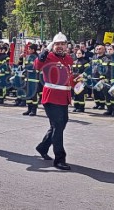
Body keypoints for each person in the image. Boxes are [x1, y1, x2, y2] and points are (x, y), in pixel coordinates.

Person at [35, 32, 75, 170]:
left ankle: (43, 147)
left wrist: (77, 81)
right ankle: (59, 158)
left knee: (59, 125)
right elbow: (37, 65)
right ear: (53, 45)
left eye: (62, 44)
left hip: (64, 96)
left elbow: (69, 77)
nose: (60, 47)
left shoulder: (69, 59)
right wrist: (45, 50)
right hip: (51, 97)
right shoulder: (48, 57)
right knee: (58, 127)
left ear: (67, 46)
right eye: (57, 44)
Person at [23, 44, 40, 116]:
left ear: (33, 50)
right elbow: (26, 66)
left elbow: (36, 68)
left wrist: (29, 70)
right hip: (28, 78)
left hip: (34, 79)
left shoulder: (37, 57)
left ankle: (34, 110)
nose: (28, 50)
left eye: (29, 49)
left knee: (33, 95)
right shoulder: (28, 57)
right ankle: (29, 109)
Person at [90, 44, 108, 110]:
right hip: (94, 76)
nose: (98, 50)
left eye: (100, 49)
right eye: (97, 49)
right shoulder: (94, 57)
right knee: (95, 91)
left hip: (101, 77)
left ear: (103, 50)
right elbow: (91, 66)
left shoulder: (105, 58)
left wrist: (103, 76)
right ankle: (97, 103)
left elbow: (105, 68)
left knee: (101, 92)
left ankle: (102, 104)